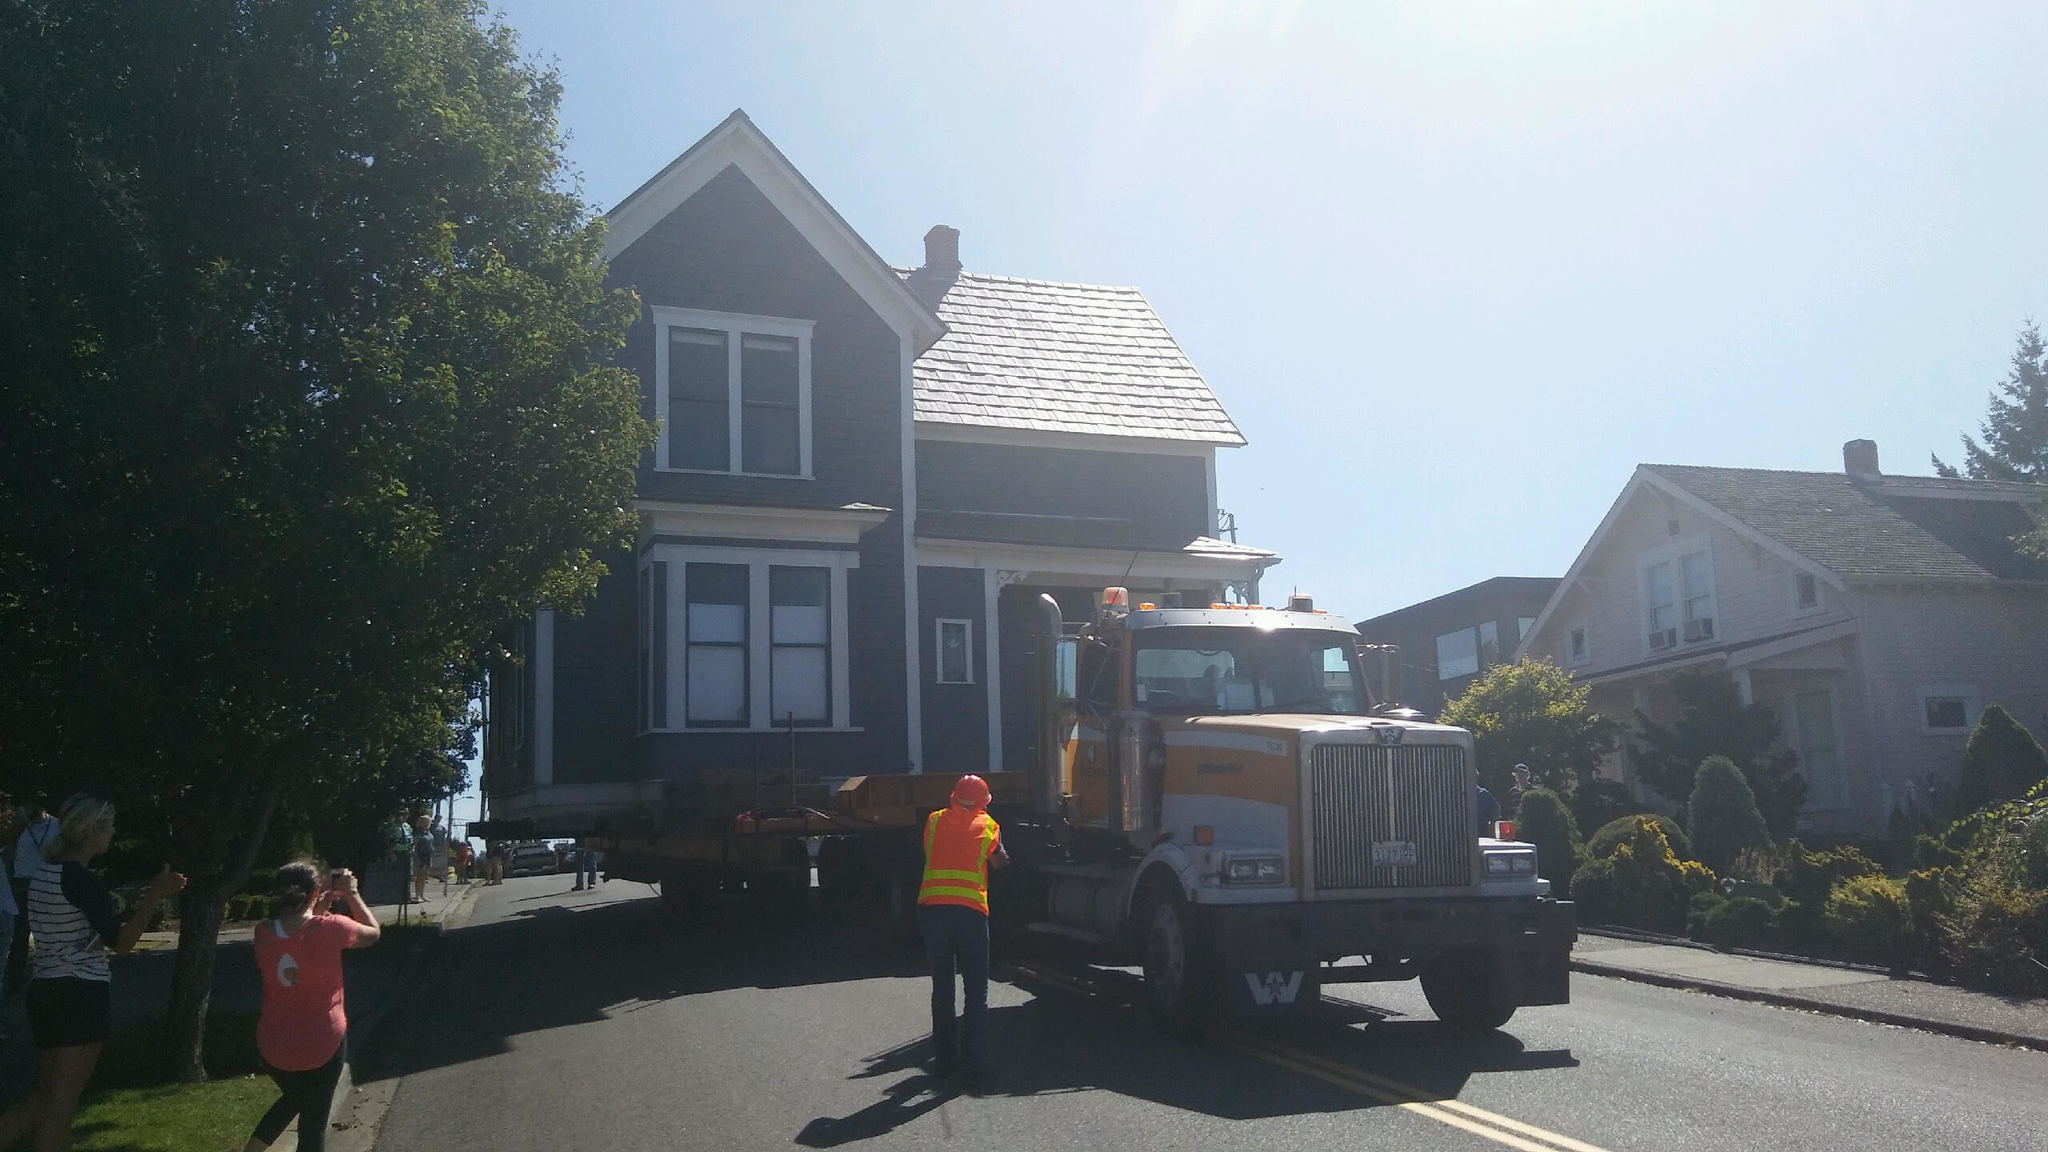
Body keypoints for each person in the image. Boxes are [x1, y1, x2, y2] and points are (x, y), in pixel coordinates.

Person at [0, 794, 186, 1152]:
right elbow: (123, 943)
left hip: (45, 989)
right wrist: (154, 896)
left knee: (44, 1096)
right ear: (92, 831)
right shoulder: (81, 881)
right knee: (61, 1105)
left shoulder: (43, 872)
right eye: (109, 826)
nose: (114, 833)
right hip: (79, 994)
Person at [241, 861, 380, 1152]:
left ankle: (252, 1149)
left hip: (274, 1044)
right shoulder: (332, 928)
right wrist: (352, 894)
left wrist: (317, 905)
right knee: (313, 1121)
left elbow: (297, 941)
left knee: (297, 1097)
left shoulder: (263, 933)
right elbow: (372, 933)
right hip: (322, 1043)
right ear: (316, 890)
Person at [917, 774, 1008, 1086]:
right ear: (984, 802)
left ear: (954, 796)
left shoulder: (934, 821)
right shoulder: (989, 827)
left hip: (934, 912)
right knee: (975, 991)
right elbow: (1000, 862)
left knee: (942, 988)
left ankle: (944, 1060)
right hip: (970, 915)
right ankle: (976, 1062)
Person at [7, 804, 58, 995]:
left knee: (46, 932)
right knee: (20, 935)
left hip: (46, 880)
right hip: (23, 882)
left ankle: (50, 974)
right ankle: (15, 979)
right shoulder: (19, 828)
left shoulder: (56, 826)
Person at [409, 816, 433, 903]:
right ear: (421, 822)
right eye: (425, 822)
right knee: (419, 876)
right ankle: (417, 895)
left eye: (428, 822)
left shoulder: (428, 832)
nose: (427, 824)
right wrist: (417, 858)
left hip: (428, 856)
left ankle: (422, 895)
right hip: (420, 855)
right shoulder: (418, 833)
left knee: (424, 876)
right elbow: (414, 846)